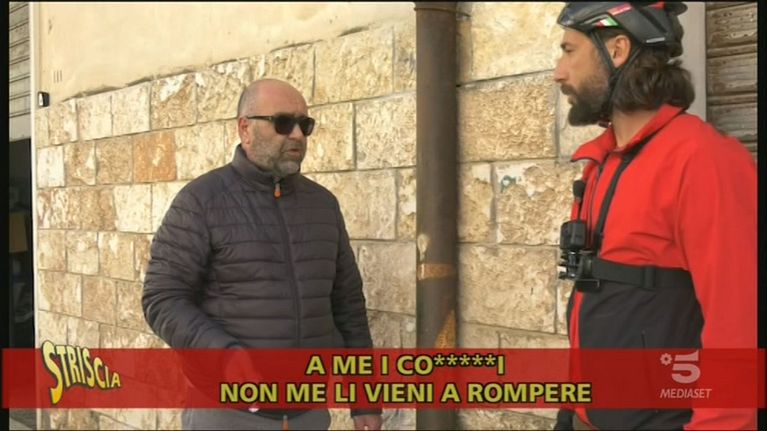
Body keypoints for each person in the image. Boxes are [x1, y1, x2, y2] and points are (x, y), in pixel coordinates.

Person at [552, 2, 756, 430]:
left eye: (569, 51)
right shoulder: (601, 164)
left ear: (618, 49)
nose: (559, 72)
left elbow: (738, 320)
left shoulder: (702, 159)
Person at [142, 78, 383, 430]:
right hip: (226, 413)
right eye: (283, 123)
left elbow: (348, 308)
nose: (297, 135)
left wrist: (364, 401)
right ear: (245, 129)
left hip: (308, 414)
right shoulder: (201, 201)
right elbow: (162, 298)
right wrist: (224, 355)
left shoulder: (323, 206)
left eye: (305, 125)